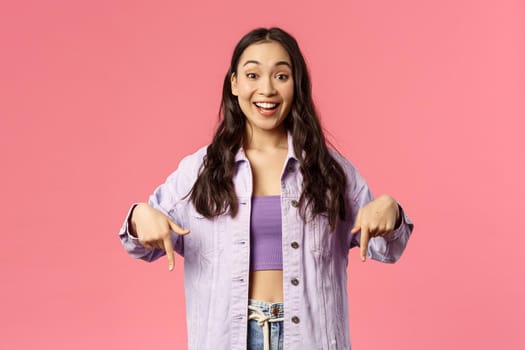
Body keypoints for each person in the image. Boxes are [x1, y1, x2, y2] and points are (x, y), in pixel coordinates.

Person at [119, 27, 414, 350]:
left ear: (296, 85)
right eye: (253, 75)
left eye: (281, 76)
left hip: (310, 340)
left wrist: (391, 211)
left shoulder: (330, 171)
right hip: (227, 338)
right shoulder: (199, 170)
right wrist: (139, 216)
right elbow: (141, 244)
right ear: (234, 83)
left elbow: (388, 248)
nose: (267, 89)